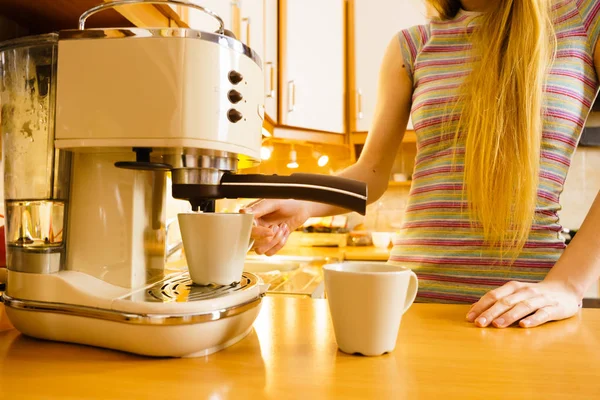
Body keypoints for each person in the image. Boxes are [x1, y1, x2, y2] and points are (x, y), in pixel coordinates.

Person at [243, 0, 600, 329]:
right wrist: (302, 200)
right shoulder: (412, 45)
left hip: (527, 312)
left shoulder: (584, 19)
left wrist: (567, 284)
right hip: (412, 301)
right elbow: (370, 172)